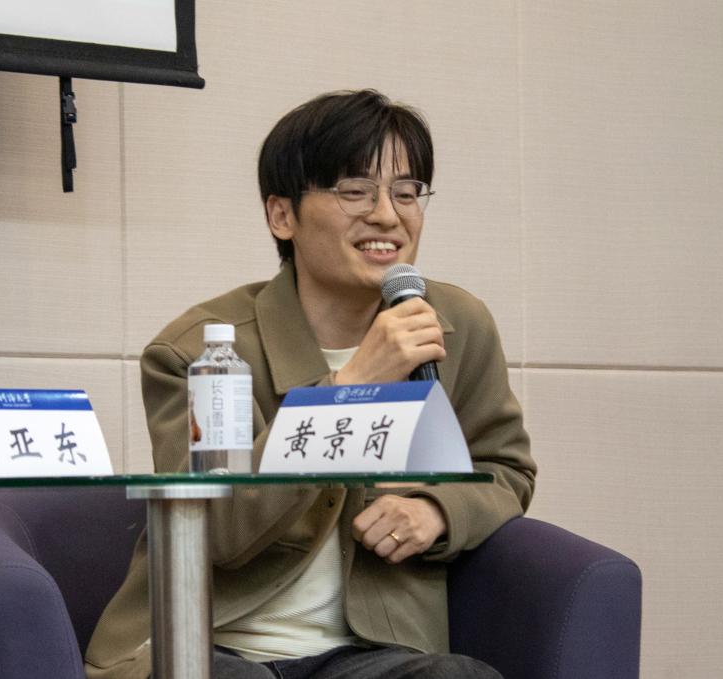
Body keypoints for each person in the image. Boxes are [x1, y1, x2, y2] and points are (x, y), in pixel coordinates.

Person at [85, 89, 536, 679]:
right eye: (355, 190)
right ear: (282, 215)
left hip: (371, 653)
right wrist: (352, 384)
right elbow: (214, 533)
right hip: (212, 642)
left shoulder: (456, 325)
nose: (387, 215)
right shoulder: (197, 352)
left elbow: (506, 469)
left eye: (406, 192)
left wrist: (439, 509)